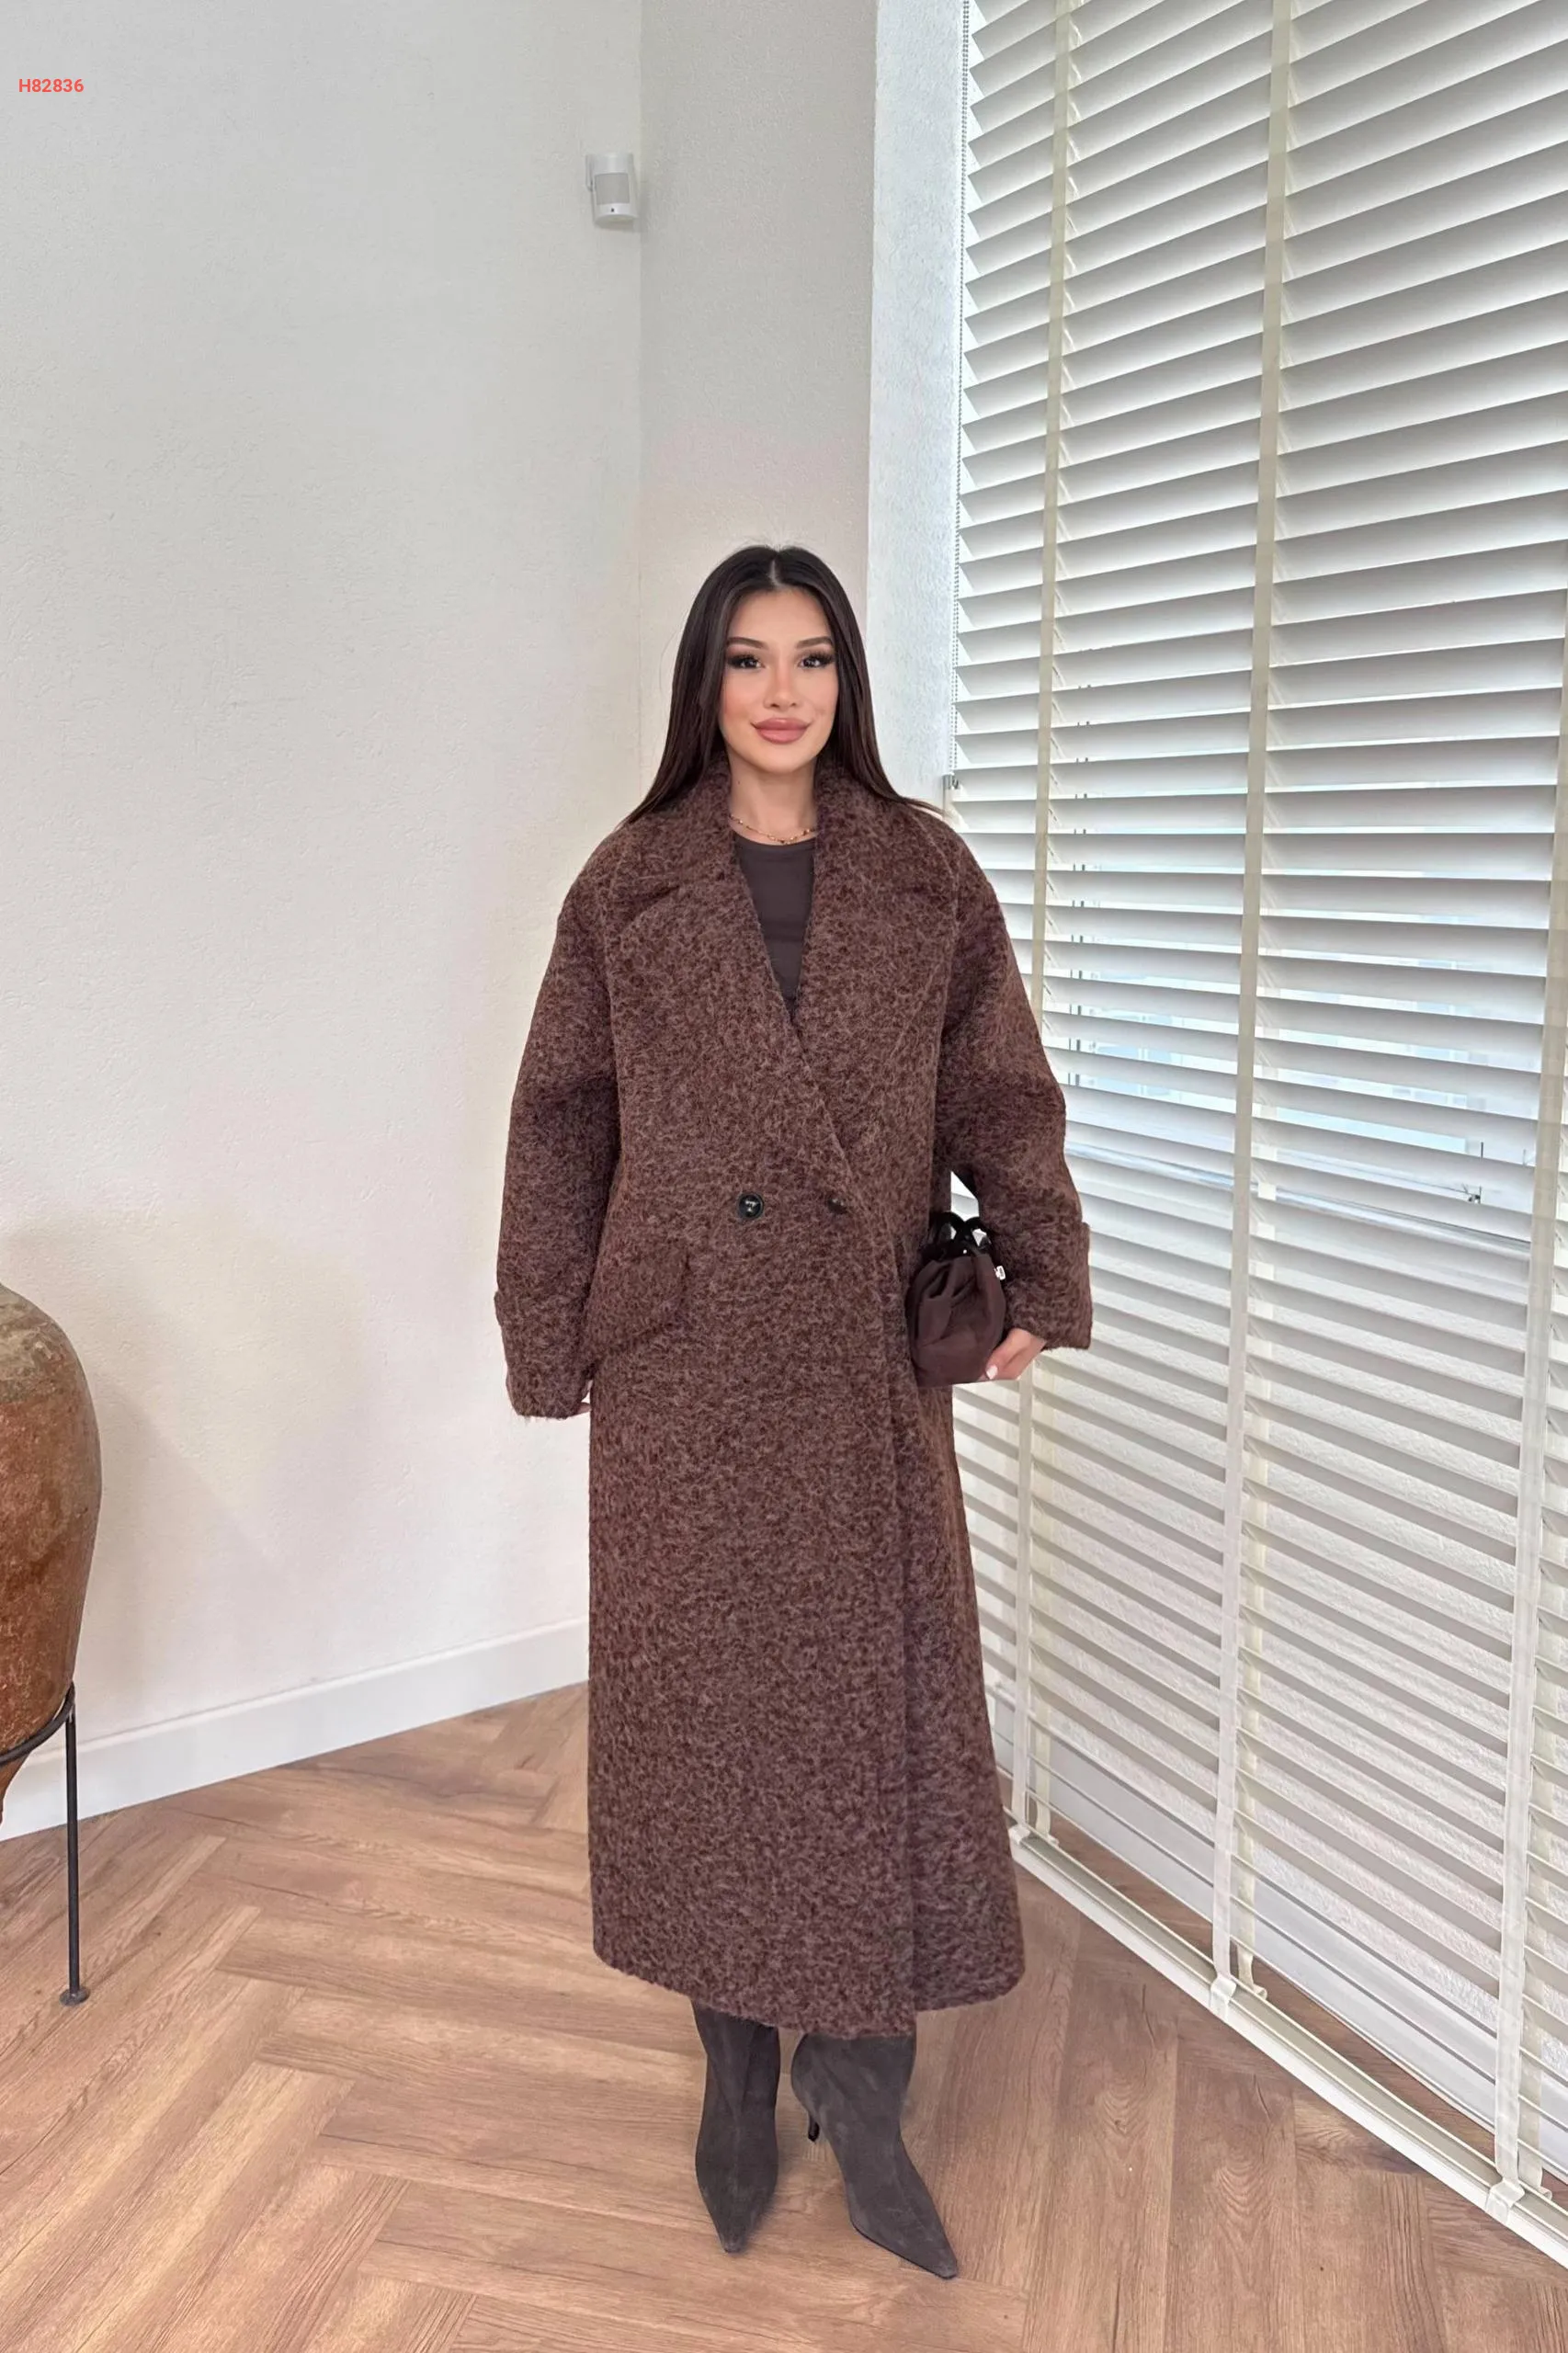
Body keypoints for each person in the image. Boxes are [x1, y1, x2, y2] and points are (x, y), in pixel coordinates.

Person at [495, 543, 1091, 2277]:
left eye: (812, 657)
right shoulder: (629, 885)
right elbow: (560, 1123)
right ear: (704, 682)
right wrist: (546, 1331)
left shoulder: (922, 872)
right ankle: (735, 2067)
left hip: (850, 1363)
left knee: (870, 1716)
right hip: (684, 1366)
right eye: (747, 658)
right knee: (708, 1721)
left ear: (847, 681)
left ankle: (866, 2088)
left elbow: (1001, 1091)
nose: (780, 692)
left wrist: (1042, 1277)